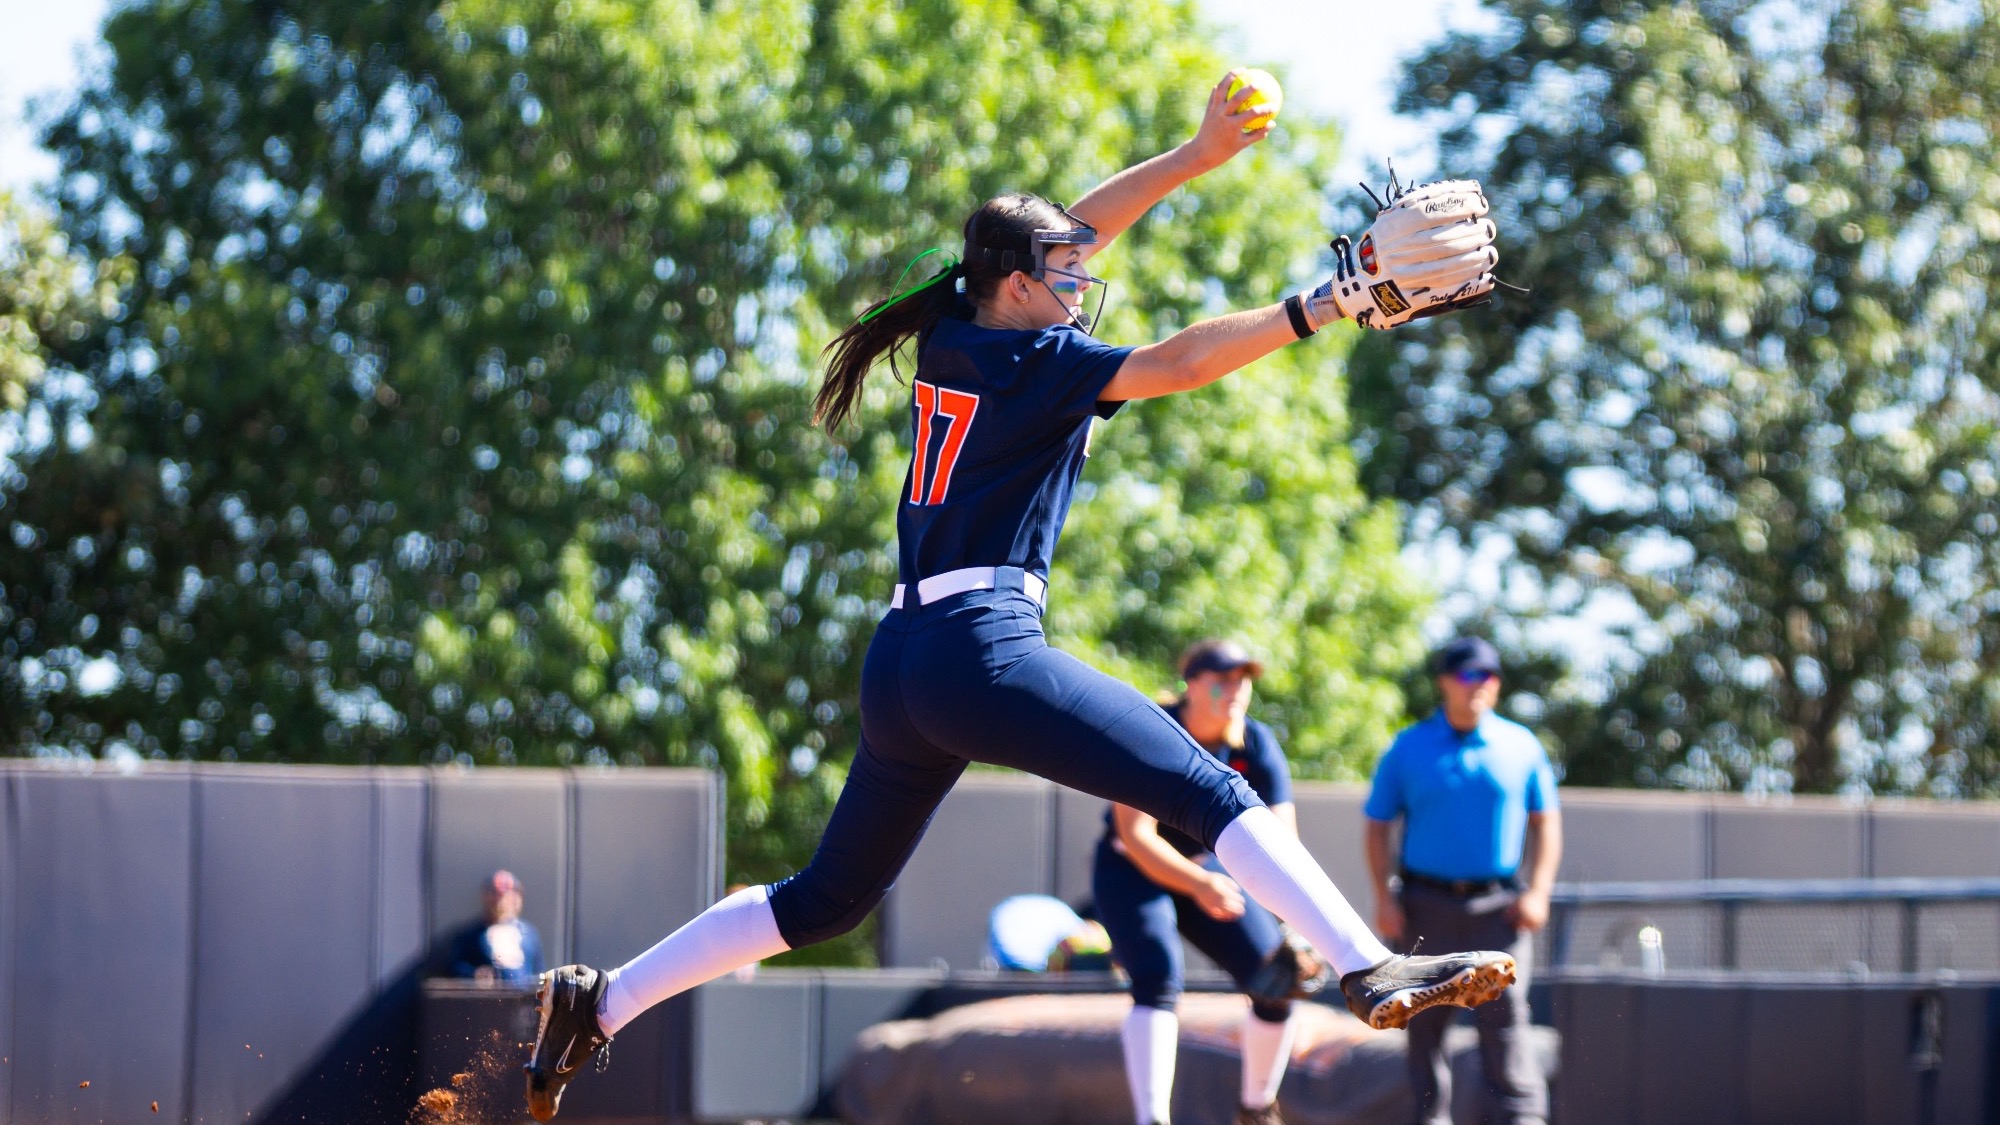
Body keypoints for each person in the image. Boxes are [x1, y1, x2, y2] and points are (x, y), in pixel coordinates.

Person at [523, 72, 1513, 1121]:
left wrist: (1191, 156)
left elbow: (1074, 231)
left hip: (903, 660)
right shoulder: (1035, 357)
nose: (1080, 278)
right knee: (1210, 791)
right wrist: (1329, 301)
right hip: (978, 647)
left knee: (822, 900)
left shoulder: (959, 327)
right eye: (1059, 271)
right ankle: (1365, 965)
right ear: (1011, 282)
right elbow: (1176, 363)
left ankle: (600, 1001)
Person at [1094, 639, 1323, 1125]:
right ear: (1191, 685)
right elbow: (1135, 836)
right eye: (1223, 679)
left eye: (1243, 679)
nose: (1236, 689)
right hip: (1132, 870)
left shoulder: (1255, 743)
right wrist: (1198, 883)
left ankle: (1257, 1109)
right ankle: (1151, 1118)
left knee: (1276, 980)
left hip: (1207, 870)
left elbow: (1282, 843)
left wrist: (1295, 927)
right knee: (1157, 976)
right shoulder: (1151, 728)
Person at [1363, 637, 1561, 1125]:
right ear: (1445, 682)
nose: (1478, 685)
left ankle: (1524, 1119)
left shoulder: (1520, 745)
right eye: (1468, 675)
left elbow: (1546, 823)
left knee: (1507, 1021)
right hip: (1425, 905)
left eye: (1488, 676)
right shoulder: (1410, 746)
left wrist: (1538, 891)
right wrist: (1383, 896)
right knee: (1424, 1026)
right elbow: (1376, 824)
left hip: (1499, 909)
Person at [448, 870, 546, 986]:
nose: (498, 901)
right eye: (494, 894)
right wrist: (474, 974)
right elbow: (455, 967)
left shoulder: (528, 933)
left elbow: (539, 971)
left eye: (503, 895)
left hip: (524, 1000)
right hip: (489, 1000)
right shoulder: (471, 934)